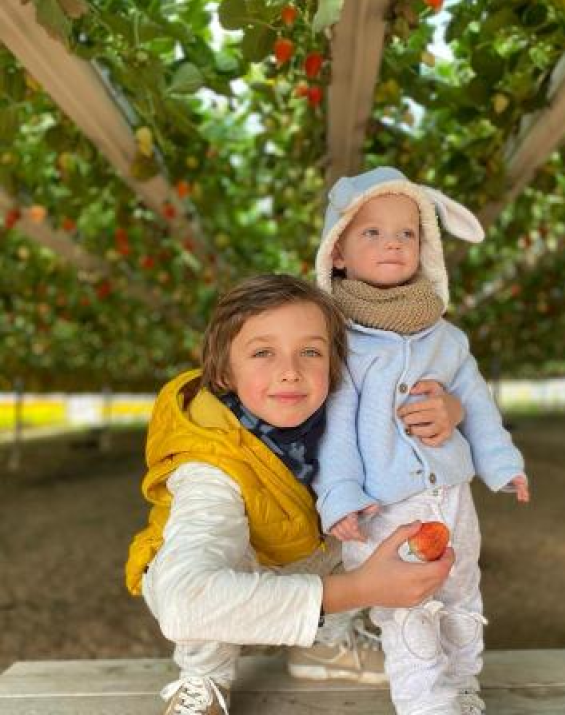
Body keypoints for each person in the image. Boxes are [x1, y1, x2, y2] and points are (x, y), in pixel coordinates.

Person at [125, 273, 461, 715]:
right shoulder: (208, 466)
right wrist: (358, 589)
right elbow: (185, 599)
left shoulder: (341, 420)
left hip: (299, 557)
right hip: (215, 576)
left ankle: (324, 645)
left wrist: (452, 410)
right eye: (263, 352)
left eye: (310, 351)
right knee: (209, 564)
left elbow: (418, 431)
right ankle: (204, 678)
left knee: (374, 504)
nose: (290, 371)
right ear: (225, 370)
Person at [310, 167, 530, 715]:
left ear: (425, 247)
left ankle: (463, 684)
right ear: (337, 252)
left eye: (407, 233)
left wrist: (503, 464)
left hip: (453, 499)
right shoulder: (339, 341)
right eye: (372, 233)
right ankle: (427, 706)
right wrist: (338, 495)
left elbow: (476, 406)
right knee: (408, 608)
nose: (392, 244)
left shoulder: (448, 339)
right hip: (385, 507)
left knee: (459, 593)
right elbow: (333, 427)